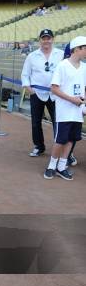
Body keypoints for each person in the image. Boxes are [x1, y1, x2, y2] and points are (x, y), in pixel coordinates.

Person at [43, 37, 86, 180]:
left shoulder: (84, 67)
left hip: (77, 111)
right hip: (64, 111)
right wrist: (72, 100)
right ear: (77, 49)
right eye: (84, 48)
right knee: (60, 140)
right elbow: (54, 89)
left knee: (71, 139)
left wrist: (83, 103)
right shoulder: (62, 66)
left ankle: (61, 166)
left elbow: (84, 88)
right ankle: (51, 165)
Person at [21, 29, 64, 157]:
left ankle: (61, 148)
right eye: (44, 38)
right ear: (40, 40)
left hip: (56, 95)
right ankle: (39, 146)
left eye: (48, 38)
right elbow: (25, 74)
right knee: (35, 122)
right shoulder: (32, 56)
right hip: (37, 93)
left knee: (58, 122)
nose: (46, 41)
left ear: (52, 39)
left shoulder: (60, 54)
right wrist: (29, 89)